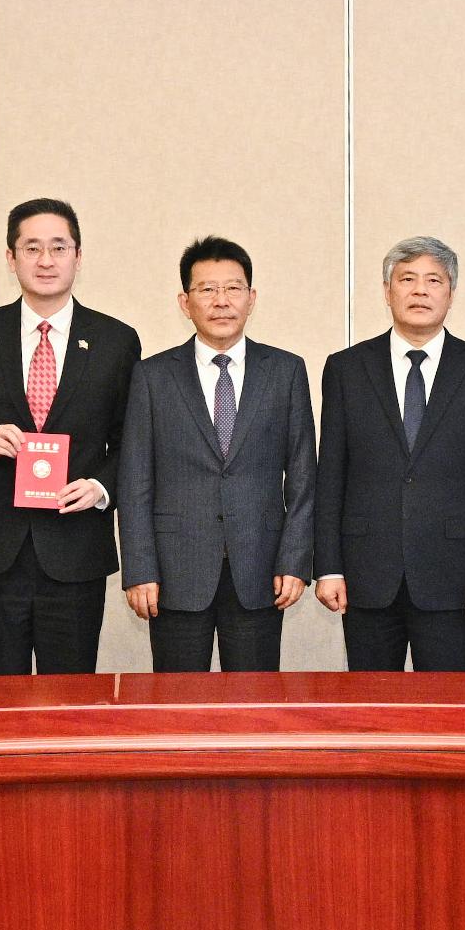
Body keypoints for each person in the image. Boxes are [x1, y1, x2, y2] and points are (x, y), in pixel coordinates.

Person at [0, 197, 130, 676]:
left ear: (78, 256)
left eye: (58, 247)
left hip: (75, 549)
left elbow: (131, 440)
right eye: (31, 248)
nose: (45, 260)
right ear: (11, 258)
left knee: (68, 704)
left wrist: (101, 487)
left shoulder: (116, 341)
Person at [313, 236, 465, 670]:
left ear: (450, 294)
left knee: (448, 715)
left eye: (433, 280)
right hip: (366, 573)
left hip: (455, 576)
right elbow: (330, 474)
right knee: (372, 712)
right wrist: (328, 566)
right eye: (407, 279)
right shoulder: (346, 368)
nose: (420, 290)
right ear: (387, 291)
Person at [118, 237, 317, 672]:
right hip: (174, 570)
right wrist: (138, 567)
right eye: (207, 289)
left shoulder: (286, 371)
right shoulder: (153, 376)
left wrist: (295, 560)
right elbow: (134, 480)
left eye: (233, 288)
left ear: (252, 298)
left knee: (253, 709)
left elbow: (304, 475)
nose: (221, 301)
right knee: (176, 706)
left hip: (261, 568)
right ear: (185, 302)